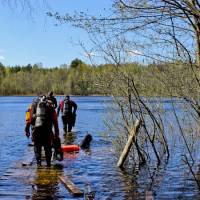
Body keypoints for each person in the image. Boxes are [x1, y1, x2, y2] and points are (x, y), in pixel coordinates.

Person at [25, 95, 60, 167]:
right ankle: (48, 164)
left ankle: (39, 164)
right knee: (48, 147)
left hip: (36, 130)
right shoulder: (50, 106)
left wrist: (27, 129)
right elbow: (55, 121)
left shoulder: (33, 105)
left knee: (37, 147)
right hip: (47, 130)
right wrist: (56, 132)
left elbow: (29, 119)